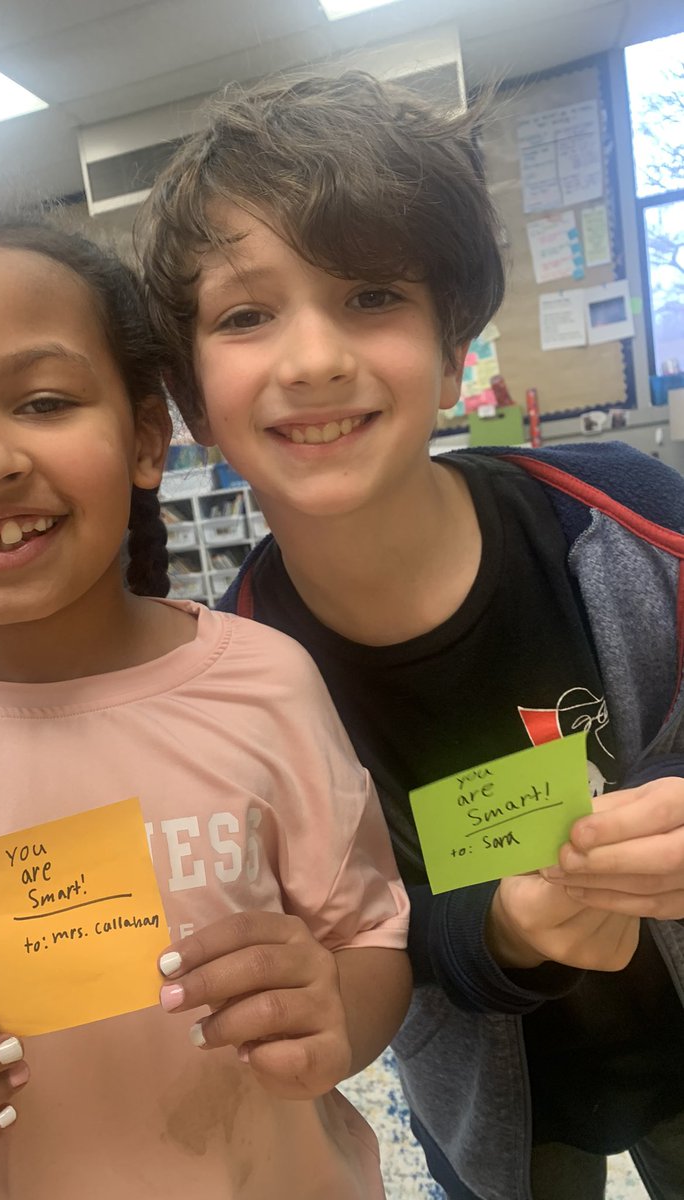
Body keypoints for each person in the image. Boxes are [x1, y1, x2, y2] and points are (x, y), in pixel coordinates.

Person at [0, 211, 411, 1200]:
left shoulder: (264, 685)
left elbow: (368, 940)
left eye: (42, 400)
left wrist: (334, 1007)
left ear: (146, 436)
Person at [136, 71, 684, 1200]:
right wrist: (504, 929)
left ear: (452, 353)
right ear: (192, 400)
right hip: (499, 1119)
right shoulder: (229, 690)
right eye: (246, 314)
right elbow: (355, 942)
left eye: (373, 294)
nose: (313, 359)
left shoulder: (626, 519)